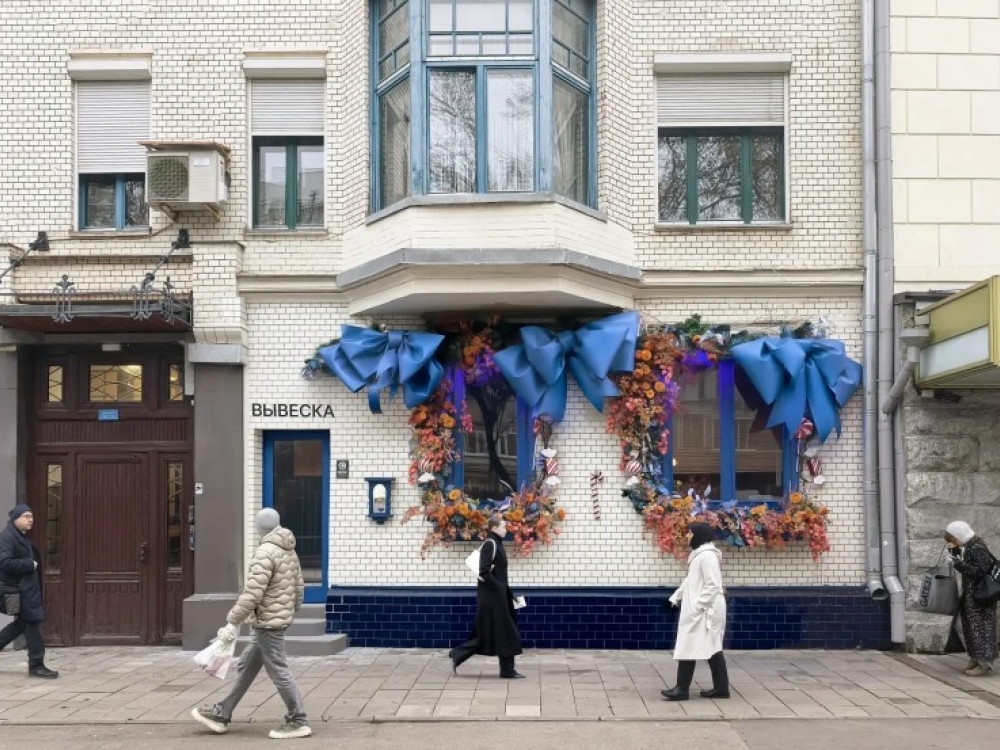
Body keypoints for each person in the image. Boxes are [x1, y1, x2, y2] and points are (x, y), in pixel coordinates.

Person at [192, 508, 311, 739]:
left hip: (268, 623)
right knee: (247, 666)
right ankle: (222, 713)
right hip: (275, 620)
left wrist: (232, 620)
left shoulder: (265, 553)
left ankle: (298, 719)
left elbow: (252, 594)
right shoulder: (289, 550)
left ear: (259, 528)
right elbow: (299, 587)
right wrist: (289, 610)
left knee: (279, 670)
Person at [449, 514, 525, 679]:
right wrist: (499, 587)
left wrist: (508, 592)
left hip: (499, 596)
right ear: (494, 528)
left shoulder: (497, 543)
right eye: (503, 527)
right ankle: (506, 670)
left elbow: (498, 573)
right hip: (493, 598)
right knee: (505, 631)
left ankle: (459, 655)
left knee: (492, 633)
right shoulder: (491, 544)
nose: (506, 530)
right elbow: (484, 571)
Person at [661, 522, 728, 701]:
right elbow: (690, 581)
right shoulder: (700, 555)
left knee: (691, 644)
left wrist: (699, 606)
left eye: (690, 533)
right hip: (702, 608)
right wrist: (676, 597)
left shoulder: (707, 556)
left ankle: (682, 689)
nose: (687, 536)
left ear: (699, 535)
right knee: (711, 646)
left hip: (707, 609)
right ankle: (721, 688)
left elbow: (713, 584)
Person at [0, 504, 58, 679]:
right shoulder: (8, 537)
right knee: (32, 623)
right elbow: (4, 562)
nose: (30, 519)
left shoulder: (19, 536)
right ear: (15, 519)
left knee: (22, 624)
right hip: (19, 590)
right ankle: (37, 665)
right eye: (26, 516)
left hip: (24, 590)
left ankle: (37, 664)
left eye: (31, 516)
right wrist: (28, 564)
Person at [945, 521, 997, 677]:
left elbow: (980, 572)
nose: (954, 542)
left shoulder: (977, 548)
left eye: (953, 539)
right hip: (972, 596)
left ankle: (985, 664)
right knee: (971, 629)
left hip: (981, 596)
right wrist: (954, 553)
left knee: (982, 630)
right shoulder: (969, 546)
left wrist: (958, 565)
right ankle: (975, 658)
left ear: (959, 535)